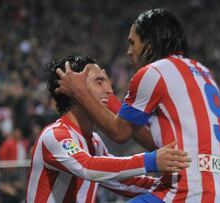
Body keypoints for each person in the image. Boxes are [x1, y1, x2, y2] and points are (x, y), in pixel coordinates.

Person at [56, 9, 220, 202]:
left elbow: (119, 133)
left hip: (185, 192)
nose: (129, 51)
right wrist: (111, 99)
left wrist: (79, 91)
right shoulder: (203, 72)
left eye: (132, 42)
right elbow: (154, 142)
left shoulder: (154, 72)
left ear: (149, 42)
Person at [26, 56, 191, 203]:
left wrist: (176, 187)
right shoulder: (55, 135)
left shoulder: (95, 142)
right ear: (76, 89)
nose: (109, 91)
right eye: (99, 82)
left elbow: (122, 181)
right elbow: (88, 167)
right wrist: (150, 160)